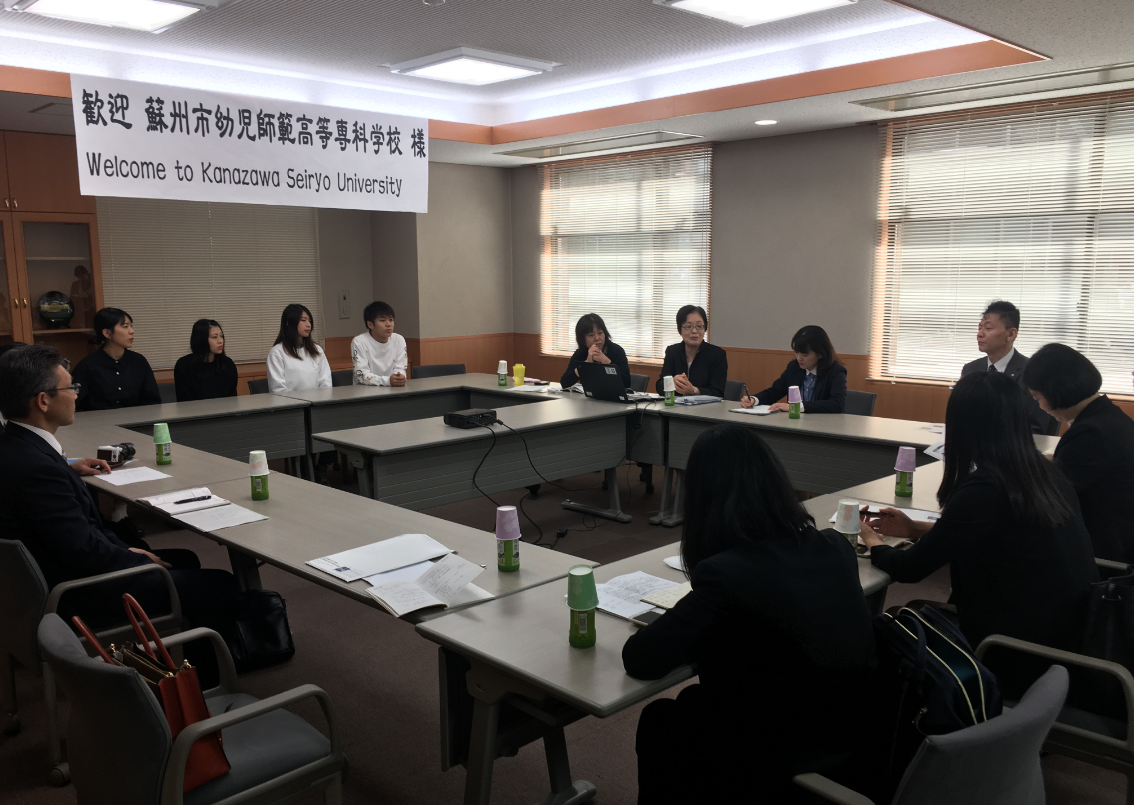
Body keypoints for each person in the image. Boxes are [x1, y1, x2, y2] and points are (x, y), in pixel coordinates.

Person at [623, 424, 875, 803]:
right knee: (693, 701)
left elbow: (640, 659)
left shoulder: (727, 574)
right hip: (856, 730)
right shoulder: (834, 546)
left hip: (785, 747)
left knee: (661, 720)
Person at [0, 345, 238, 684]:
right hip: (79, 594)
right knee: (219, 585)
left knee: (185, 559)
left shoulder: (16, 446)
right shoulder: (38, 468)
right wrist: (135, 558)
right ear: (43, 401)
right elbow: (82, 551)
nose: (76, 395)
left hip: (50, 579)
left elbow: (77, 535)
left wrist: (128, 549)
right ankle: (208, 687)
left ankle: (187, 664)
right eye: (71, 388)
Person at [861, 371, 1098, 694]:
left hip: (1010, 649)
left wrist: (872, 541)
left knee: (886, 627)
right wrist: (916, 528)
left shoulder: (987, 487)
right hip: (1063, 638)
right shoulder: (1044, 471)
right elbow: (998, 533)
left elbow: (910, 569)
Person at [1024, 343, 1134, 563]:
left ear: (1056, 391)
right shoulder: (1110, 416)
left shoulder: (1090, 434)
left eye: (1037, 398)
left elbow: (1051, 496)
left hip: (1104, 554)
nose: (1039, 406)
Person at [959, 300, 1058, 435]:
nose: (980, 334)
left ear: (1011, 334)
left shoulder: (1033, 372)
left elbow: (1036, 428)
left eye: (988, 328)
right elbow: (961, 417)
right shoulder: (971, 370)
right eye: (979, 328)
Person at [742, 325, 847, 412]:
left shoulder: (835, 371)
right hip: (795, 423)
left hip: (822, 425)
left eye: (804, 355)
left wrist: (796, 407)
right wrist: (754, 399)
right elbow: (774, 392)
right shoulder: (794, 368)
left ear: (820, 354)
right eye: (796, 352)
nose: (799, 358)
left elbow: (837, 404)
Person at [72, 308, 161, 411]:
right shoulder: (87, 366)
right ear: (107, 333)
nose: (132, 331)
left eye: (131, 326)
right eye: (125, 327)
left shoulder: (139, 361)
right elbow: (77, 405)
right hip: (100, 420)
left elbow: (152, 400)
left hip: (138, 418)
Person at [654, 305, 727, 398]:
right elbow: (659, 387)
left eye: (699, 326)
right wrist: (671, 382)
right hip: (675, 405)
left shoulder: (717, 355)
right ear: (679, 330)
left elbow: (718, 393)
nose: (694, 331)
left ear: (705, 329)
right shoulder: (672, 352)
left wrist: (694, 390)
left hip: (705, 407)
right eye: (688, 326)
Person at [266, 304, 331, 393]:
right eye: (303, 320)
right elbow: (278, 389)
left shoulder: (317, 349)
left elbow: (326, 382)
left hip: (318, 401)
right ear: (289, 323)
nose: (308, 324)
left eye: (309, 321)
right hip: (289, 401)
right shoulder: (277, 352)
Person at [560, 313, 631, 390]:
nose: (597, 338)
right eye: (591, 335)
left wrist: (606, 361)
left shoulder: (616, 351)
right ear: (582, 339)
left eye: (600, 333)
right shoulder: (580, 353)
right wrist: (585, 365)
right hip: (588, 396)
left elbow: (627, 383)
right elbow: (564, 383)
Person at [174, 319, 239, 402]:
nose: (220, 341)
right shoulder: (184, 365)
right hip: (194, 410)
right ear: (201, 339)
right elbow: (184, 401)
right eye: (214, 337)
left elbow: (232, 399)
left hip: (225, 409)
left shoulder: (227, 364)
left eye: (221, 336)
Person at [351, 301, 408, 386]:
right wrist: (387, 381)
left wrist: (399, 378)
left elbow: (401, 368)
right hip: (366, 390)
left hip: (393, 389)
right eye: (382, 320)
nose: (388, 324)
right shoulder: (359, 342)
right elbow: (362, 375)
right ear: (370, 324)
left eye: (391, 320)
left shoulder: (399, 340)